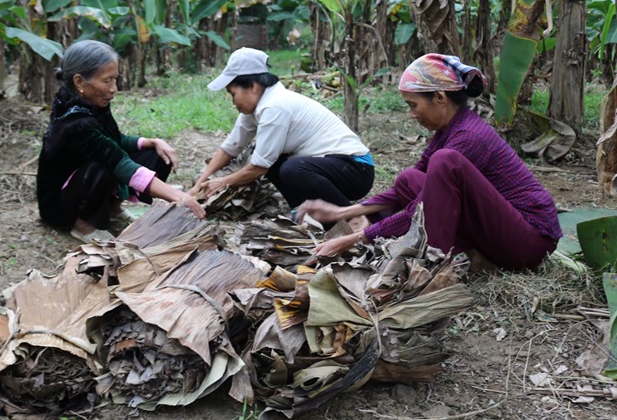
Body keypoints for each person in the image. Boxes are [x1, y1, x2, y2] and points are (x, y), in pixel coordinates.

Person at [297, 53, 562, 270]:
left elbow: (420, 207)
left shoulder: (468, 137)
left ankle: (433, 264)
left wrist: (352, 239)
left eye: (413, 105)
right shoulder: (449, 130)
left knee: (445, 162)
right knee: (408, 178)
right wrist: (343, 212)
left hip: (529, 242)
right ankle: (475, 255)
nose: (412, 114)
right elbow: (413, 186)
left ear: (440, 98)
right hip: (506, 231)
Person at [37, 40, 205, 241]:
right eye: (107, 80)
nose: (114, 88)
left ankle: (112, 209)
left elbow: (114, 140)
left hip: (82, 179)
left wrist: (150, 142)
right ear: (80, 82)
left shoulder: (91, 100)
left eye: (115, 79)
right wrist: (179, 197)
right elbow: (118, 161)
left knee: (154, 155)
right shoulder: (75, 122)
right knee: (105, 165)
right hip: (60, 203)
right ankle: (82, 223)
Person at [188, 47, 374, 224]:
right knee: (276, 162)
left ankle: (354, 219)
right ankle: (304, 214)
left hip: (356, 169)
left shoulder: (274, 106)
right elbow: (231, 147)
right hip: (331, 167)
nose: (233, 102)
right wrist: (200, 183)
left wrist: (223, 182)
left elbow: (259, 167)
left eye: (233, 94)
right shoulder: (256, 108)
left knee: (290, 168)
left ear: (253, 86)